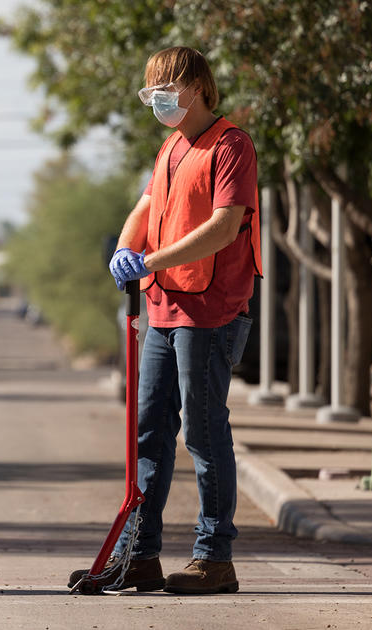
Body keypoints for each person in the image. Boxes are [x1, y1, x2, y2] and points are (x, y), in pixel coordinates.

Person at [80, 46, 261, 594]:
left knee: (204, 433)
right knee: (150, 431)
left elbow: (225, 226)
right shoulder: (171, 146)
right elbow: (146, 205)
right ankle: (140, 553)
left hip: (210, 307)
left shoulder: (231, 146)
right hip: (163, 304)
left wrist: (150, 261)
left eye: (167, 87)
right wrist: (125, 248)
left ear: (200, 87)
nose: (158, 98)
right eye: (151, 89)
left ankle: (214, 557)